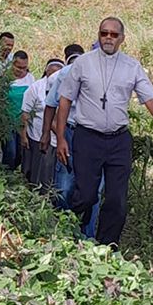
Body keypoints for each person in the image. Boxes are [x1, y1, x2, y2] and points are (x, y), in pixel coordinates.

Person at [56, 17, 153, 248]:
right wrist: (60, 138)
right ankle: (70, 232)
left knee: (117, 199)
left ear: (122, 39)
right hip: (87, 137)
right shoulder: (83, 63)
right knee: (87, 195)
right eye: (104, 33)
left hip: (118, 139)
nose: (108, 38)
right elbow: (65, 99)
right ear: (98, 35)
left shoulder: (131, 66)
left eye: (113, 35)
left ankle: (106, 247)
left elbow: (149, 96)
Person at [40, 44, 103, 238]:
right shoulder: (66, 73)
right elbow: (51, 105)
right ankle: (63, 232)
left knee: (95, 190)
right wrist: (48, 135)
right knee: (65, 185)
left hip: (98, 137)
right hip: (71, 133)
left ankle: (88, 236)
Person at [20, 58, 65, 189]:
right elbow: (25, 113)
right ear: (46, 72)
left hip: (59, 137)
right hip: (38, 135)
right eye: (52, 74)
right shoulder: (36, 88)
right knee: (37, 168)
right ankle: (36, 192)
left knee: (52, 170)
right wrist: (23, 135)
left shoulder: (66, 88)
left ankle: (51, 194)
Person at [2, 50, 35, 170]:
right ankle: (7, 175)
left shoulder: (30, 79)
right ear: (12, 64)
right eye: (19, 67)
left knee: (21, 152)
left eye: (24, 68)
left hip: (23, 122)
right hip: (7, 121)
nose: (21, 70)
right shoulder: (4, 77)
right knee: (10, 151)